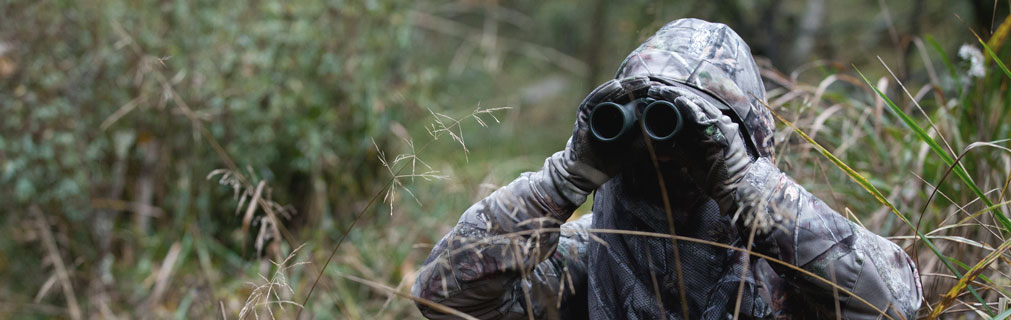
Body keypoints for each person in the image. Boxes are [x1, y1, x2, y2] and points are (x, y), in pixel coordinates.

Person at [411, 18, 922, 320]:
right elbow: (444, 295)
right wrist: (565, 178)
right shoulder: (594, 252)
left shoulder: (787, 253)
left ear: (746, 141)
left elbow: (897, 305)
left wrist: (743, 184)